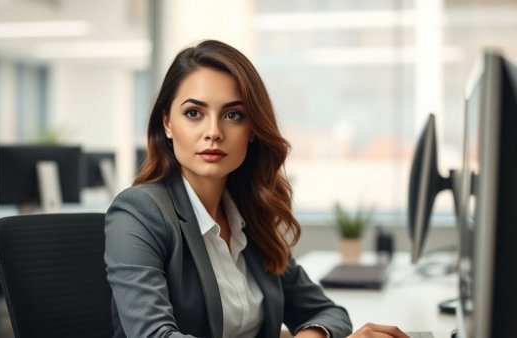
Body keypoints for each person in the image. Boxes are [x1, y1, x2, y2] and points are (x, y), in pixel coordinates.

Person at [105, 40, 410, 338]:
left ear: (252, 130)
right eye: (194, 114)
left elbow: (329, 313)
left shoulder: (249, 217)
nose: (213, 132)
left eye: (233, 115)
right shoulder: (138, 213)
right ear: (168, 123)